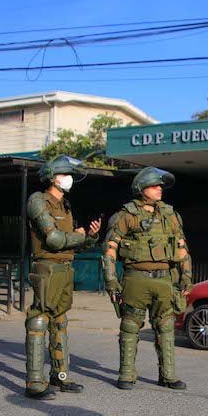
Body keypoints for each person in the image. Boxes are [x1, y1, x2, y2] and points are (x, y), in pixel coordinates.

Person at [102, 166, 191, 391]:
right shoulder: (126, 215)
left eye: (160, 185)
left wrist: (186, 276)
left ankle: (168, 376)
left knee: (166, 327)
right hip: (135, 280)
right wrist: (111, 281)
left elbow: (182, 249)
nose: (160, 189)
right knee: (130, 327)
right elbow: (110, 250)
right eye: (154, 186)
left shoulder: (170, 215)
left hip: (164, 280)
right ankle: (126, 375)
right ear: (142, 189)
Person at [25, 155, 101, 400]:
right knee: (39, 319)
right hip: (46, 267)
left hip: (66, 267)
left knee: (60, 321)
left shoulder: (65, 206)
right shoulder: (38, 201)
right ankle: (35, 382)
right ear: (52, 177)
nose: (69, 179)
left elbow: (71, 243)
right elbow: (54, 240)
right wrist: (78, 236)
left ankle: (60, 376)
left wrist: (90, 236)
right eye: (65, 174)